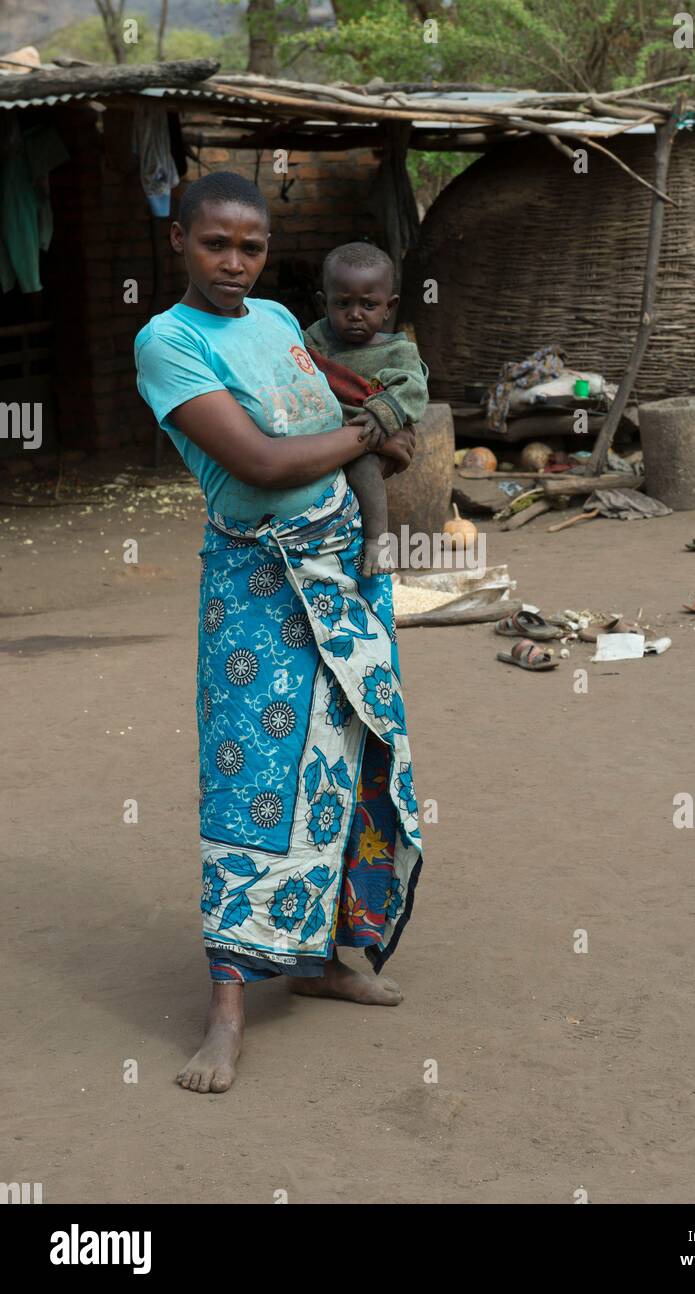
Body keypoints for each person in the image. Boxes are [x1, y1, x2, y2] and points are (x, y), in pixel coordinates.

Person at [134, 172, 423, 1095]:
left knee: (346, 762)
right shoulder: (167, 340)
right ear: (179, 239)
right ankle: (226, 1012)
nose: (233, 262)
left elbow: (343, 428)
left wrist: (368, 431)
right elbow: (259, 463)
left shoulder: (272, 326)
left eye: (250, 247)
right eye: (215, 243)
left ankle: (332, 957)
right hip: (258, 585)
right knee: (251, 780)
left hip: (343, 570)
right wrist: (375, 426)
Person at [304, 243, 429, 574]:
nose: (355, 313)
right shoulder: (312, 342)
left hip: (373, 440)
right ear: (322, 302)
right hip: (324, 439)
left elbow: (413, 390)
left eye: (368, 305)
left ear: (389, 307)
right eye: (342, 304)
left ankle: (378, 542)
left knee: (362, 466)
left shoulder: (397, 351)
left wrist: (382, 413)